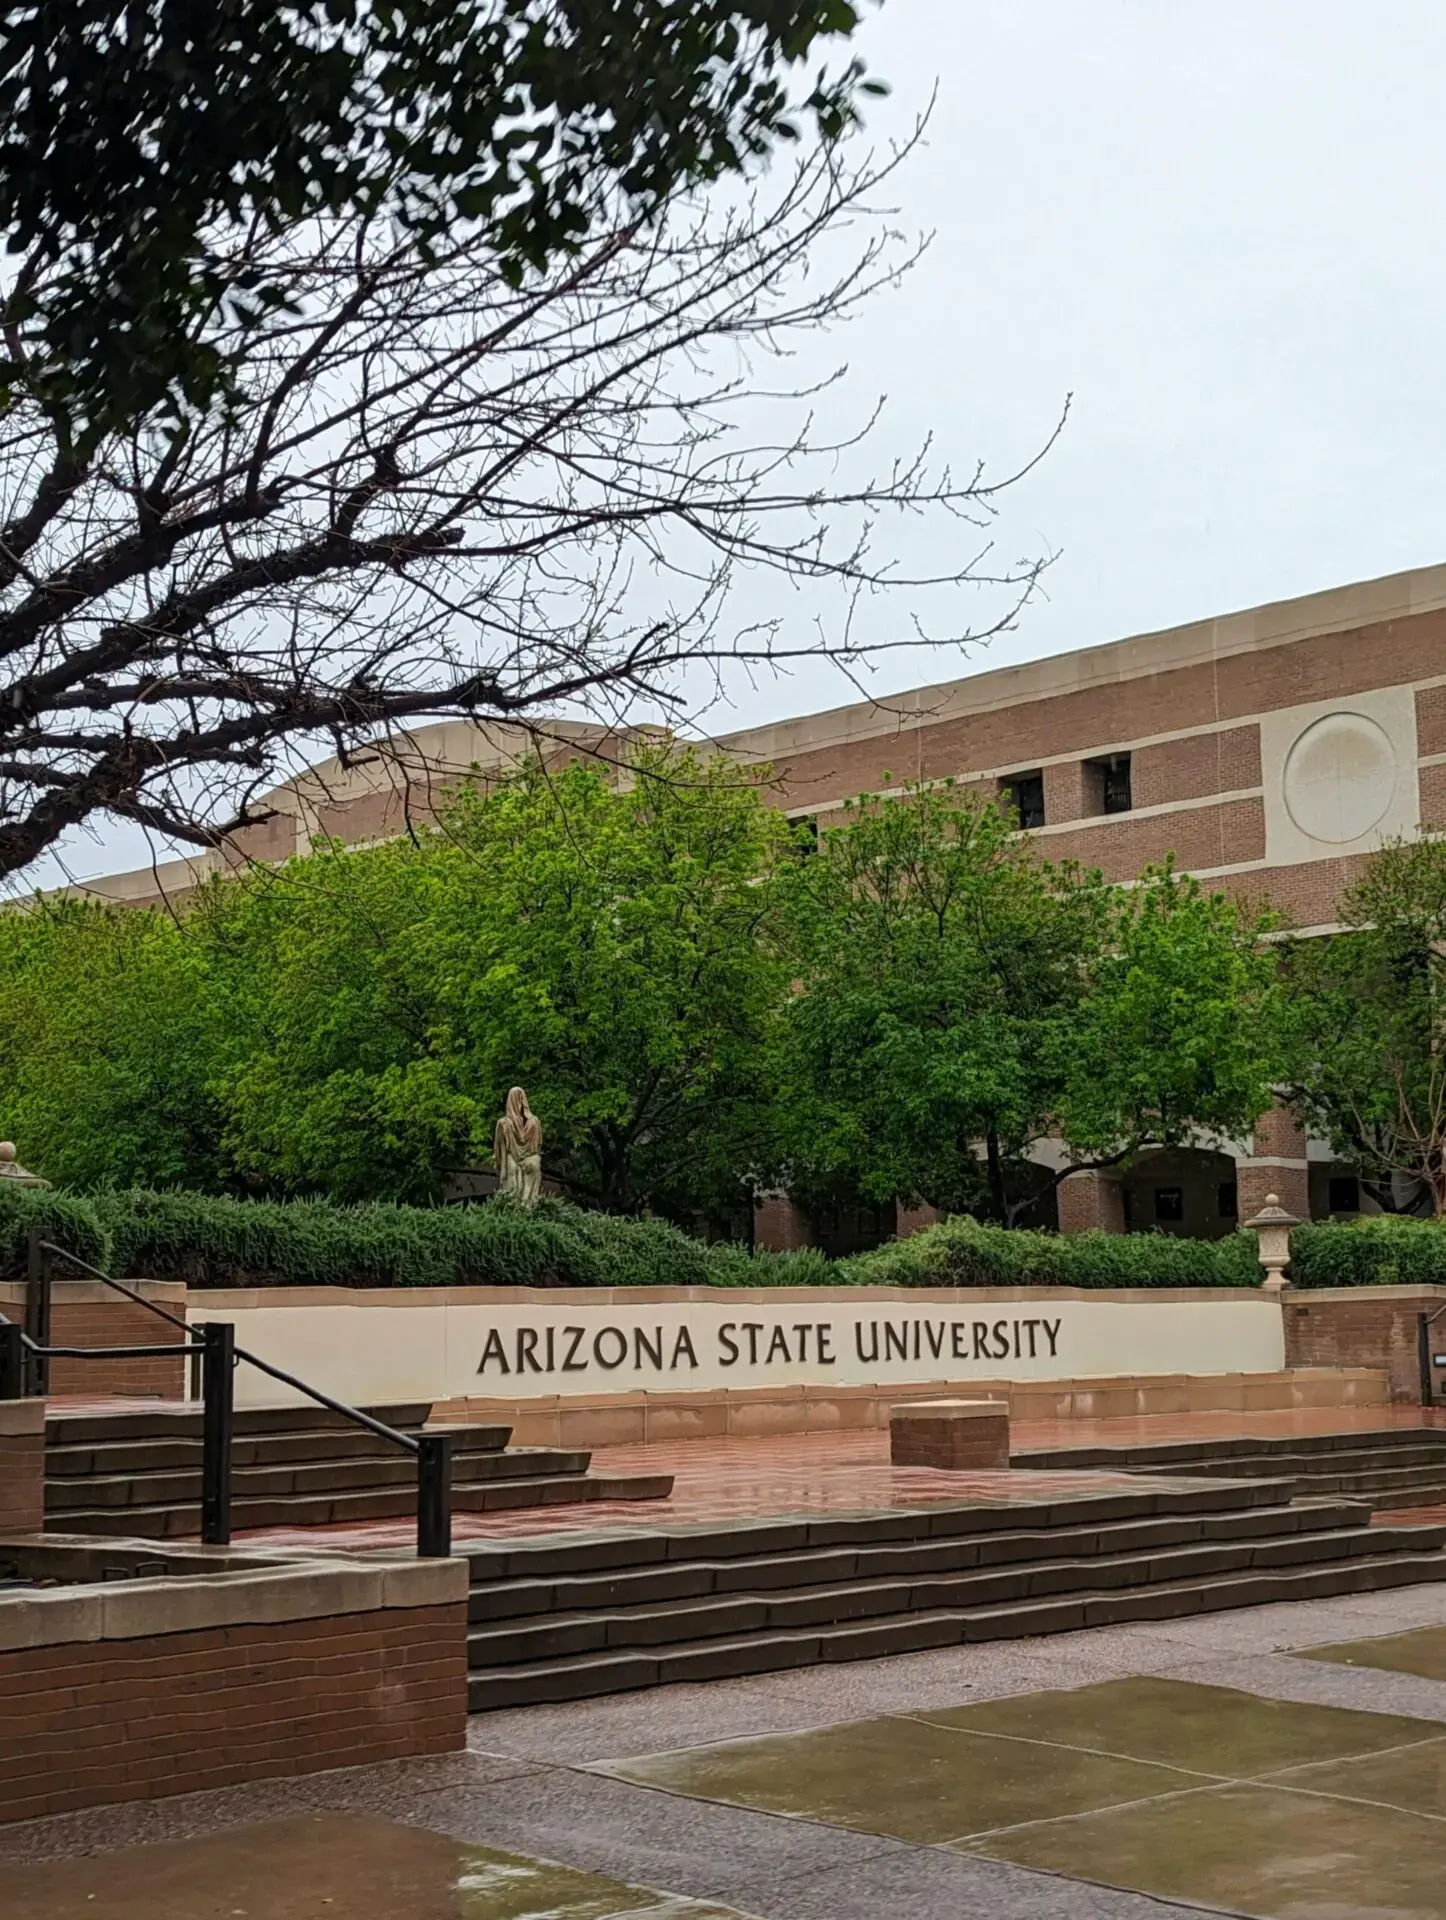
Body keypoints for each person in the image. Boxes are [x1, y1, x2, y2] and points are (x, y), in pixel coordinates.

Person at [492, 1088, 543, 1206]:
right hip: (515, 1160)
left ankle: (525, 1207)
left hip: (525, 1160)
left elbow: (499, 1152)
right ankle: (520, 1208)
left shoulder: (533, 1122)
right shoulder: (504, 1124)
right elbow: (500, 1149)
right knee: (514, 1169)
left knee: (530, 1166)